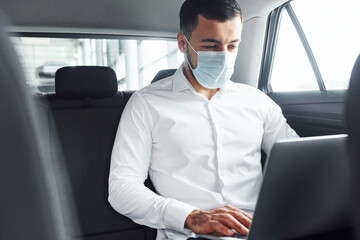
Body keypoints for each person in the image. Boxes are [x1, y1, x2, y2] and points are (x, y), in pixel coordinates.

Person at [108, 0, 299, 239]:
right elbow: (122, 188)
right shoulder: (146, 104)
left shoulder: (258, 102)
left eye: (232, 46)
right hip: (191, 236)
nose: (223, 56)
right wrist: (192, 217)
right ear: (182, 43)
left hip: (262, 231)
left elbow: (300, 162)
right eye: (211, 46)